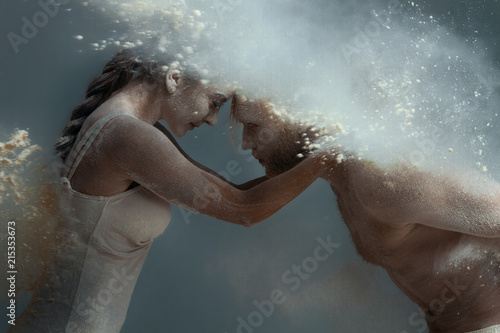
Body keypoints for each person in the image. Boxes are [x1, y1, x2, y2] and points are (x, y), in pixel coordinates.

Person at [10, 50, 325, 333]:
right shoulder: (126, 135)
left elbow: (234, 192)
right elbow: (245, 209)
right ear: (174, 78)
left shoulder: (134, 128)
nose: (213, 119)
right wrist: (332, 155)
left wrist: (310, 155)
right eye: (215, 102)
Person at [230, 96, 500, 333]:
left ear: (294, 113)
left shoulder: (379, 178)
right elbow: (241, 202)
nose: (245, 143)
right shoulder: (342, 178)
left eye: (253, 126)